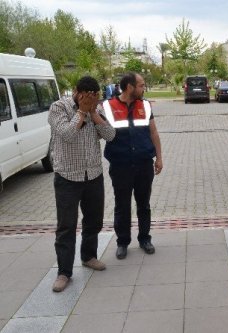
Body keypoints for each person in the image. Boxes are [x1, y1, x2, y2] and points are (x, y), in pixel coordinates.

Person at [48, 76, 116, 292]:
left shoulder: (96, 108)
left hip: (93, 175)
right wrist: (80, 112)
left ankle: (89, 256)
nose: (89, 100)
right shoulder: (58, 107)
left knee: (93, 221)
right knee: (66, 226)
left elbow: (111, 135)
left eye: (94, 96)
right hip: (67, 177)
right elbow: (67, 134)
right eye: (85, 96)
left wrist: (94, 113)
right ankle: (64, 272)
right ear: (76, 91)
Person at [103, 72, 163, 259]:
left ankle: (145, 238)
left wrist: (159, 158)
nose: (143, 89)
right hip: (120, 165)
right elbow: (100, 132)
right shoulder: (108, 106)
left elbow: (153, 133)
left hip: (144, 163)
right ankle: (122, 242)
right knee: (122, 205)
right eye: (141, 85)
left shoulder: (145, 105)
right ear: (129, 87)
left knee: (143, 204)